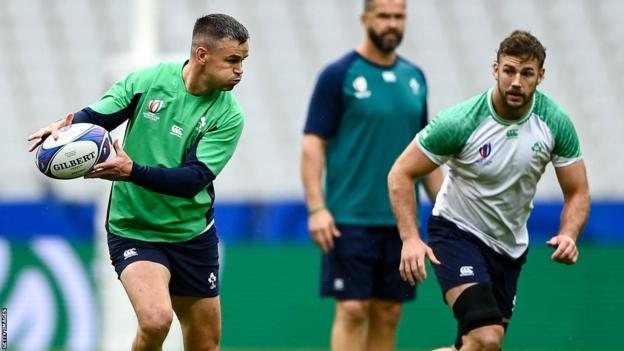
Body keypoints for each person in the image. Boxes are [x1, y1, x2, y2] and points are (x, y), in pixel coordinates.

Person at [27, 14, 249, 351]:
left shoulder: (228, 116)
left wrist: (132, 172)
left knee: (205, 344)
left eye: (243, 61)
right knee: (156, 320)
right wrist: (65, 126)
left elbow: (193, 180)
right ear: (202, 55)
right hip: (134, 227)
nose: (240, 70)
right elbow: (100, 115)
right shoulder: (149, 81)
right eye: (232, 60)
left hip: (191, 234)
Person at [388, 30, 591, 351]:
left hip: (509, 248)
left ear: (541, 76)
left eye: (526, 73)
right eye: (509, 71)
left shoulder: (554, 122)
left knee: (475, 347)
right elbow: (401, 171)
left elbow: (578, 191)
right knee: (487, 337)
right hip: (456, 233)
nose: (516, 82)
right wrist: (410, 238)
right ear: (495, 69)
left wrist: (569, 234)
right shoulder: (461, 121)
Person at [301, 1, 443, 350]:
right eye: (384, 16)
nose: (392, 24)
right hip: (349, 218)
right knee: (352, 308)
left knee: (389, 311)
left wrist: (445, 211)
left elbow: (424, 156)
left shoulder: (415, 78)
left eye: (399, 17)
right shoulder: (339, 75)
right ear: (366, 19)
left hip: (401, 221)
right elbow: (312, 145)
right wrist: (317, 208)